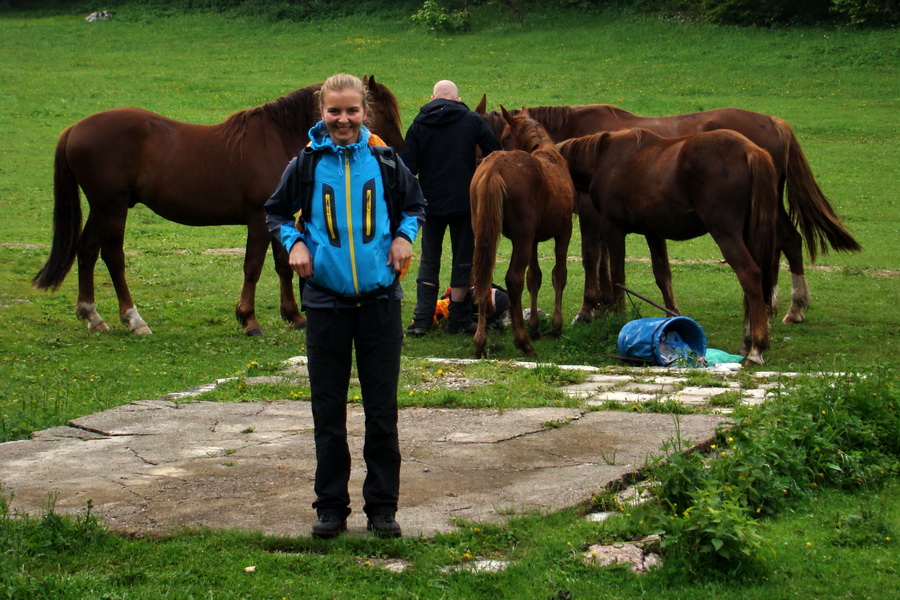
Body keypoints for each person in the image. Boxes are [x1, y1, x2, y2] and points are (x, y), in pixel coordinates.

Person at [264, 73, 425, 539]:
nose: (343, 119)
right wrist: (294, 242)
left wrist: (402, 237)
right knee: (328, 412)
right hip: (326, 303)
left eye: (351, 110)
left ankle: (382, 509)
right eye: (334, 111)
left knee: (381, 412)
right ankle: (331, 507)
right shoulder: (307, 164)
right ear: (322, 113)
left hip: (379, 303)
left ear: (364, 112)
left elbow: (415, 208)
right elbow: (275, 212)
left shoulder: (387, 161)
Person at [401, 80, 501, 336]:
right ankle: (458, 319)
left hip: (429, 203)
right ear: (456, 99)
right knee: (463, 261)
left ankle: (422, 320)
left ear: (433, 97)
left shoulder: (419, 123)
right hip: (463, 202)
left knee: (429, 260)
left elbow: (407, 168)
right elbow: (496, 153)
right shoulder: (471, 120)